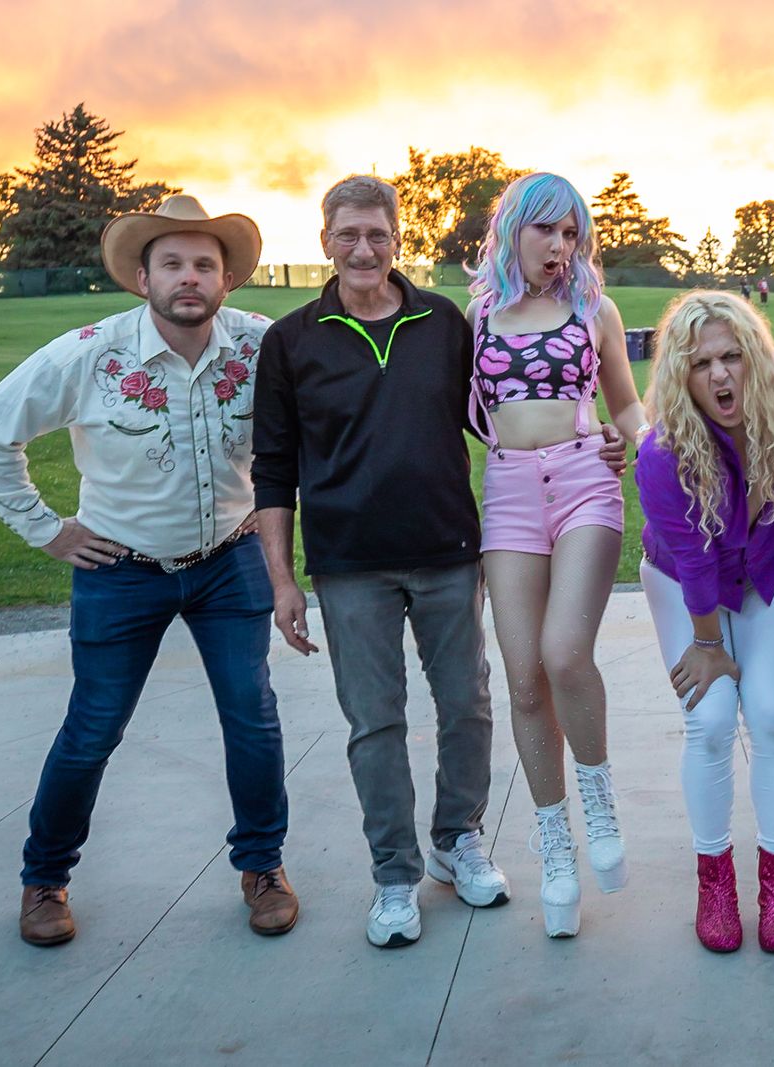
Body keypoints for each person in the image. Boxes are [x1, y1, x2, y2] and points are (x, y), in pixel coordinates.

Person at [0, 195, 298, 945]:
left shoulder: (263, 346)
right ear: (143, 279)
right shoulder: (88, 354)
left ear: (227, 279)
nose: (189, 277)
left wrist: (276, 512)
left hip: (229, 559)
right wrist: (47, 530)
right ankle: (45, 878)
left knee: (252, 714)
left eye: (204, 264)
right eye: (171, 264)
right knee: (93, 727)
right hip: (121, 568)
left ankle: (262, 866)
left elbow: (322, 423)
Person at [254, 176, 526, 948]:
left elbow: (500, 417)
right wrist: (283, 581)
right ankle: (395, 874)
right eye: (348, 234)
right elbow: (272, 468)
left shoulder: (443, 322)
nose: (364, 248)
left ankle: (458, 837)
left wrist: (584, 437)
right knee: (375, 722)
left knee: (467, 704)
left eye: (377, 234)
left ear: (398, 239)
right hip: (349, 565)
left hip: (447, 552)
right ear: (325, 242)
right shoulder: (292, 340)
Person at [466, 172, 645, 938]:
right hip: (509, 493)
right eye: (547, 229)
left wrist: (636, 441)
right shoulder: (477, 315)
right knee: (523, 677)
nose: (560, 246)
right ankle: (555, 844)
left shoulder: (593, 308)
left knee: (565, 652)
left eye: (572, 233)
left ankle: (598, 796)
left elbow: (626, 402)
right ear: (514, 229)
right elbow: (456, 415)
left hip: (583, 482)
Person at [635, 291, 774, 953]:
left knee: (771, 713)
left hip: (767, 568)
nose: (720, 374)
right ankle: (714, 881)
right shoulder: (662, 452)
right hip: (684, 585)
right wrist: (709, 644)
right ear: (680, 376)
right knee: (712, 719)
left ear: (754, 358)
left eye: (732, 356)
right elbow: (694, 561)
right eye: (700, 363)